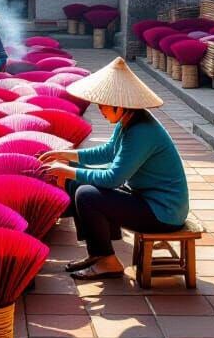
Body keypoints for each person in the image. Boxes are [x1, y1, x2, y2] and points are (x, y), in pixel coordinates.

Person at [39, 57, 189, 280]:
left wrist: (67, 170)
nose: (100, 110)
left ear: (120, 104)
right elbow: (108, 151)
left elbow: (113, 179)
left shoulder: (142, 131)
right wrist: (65, 155)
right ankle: (98, 254)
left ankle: (107, 261)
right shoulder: (129, 120)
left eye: (103, 105)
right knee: (77, 182)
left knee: (86, 194)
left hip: (163, 212)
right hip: (145, 198)